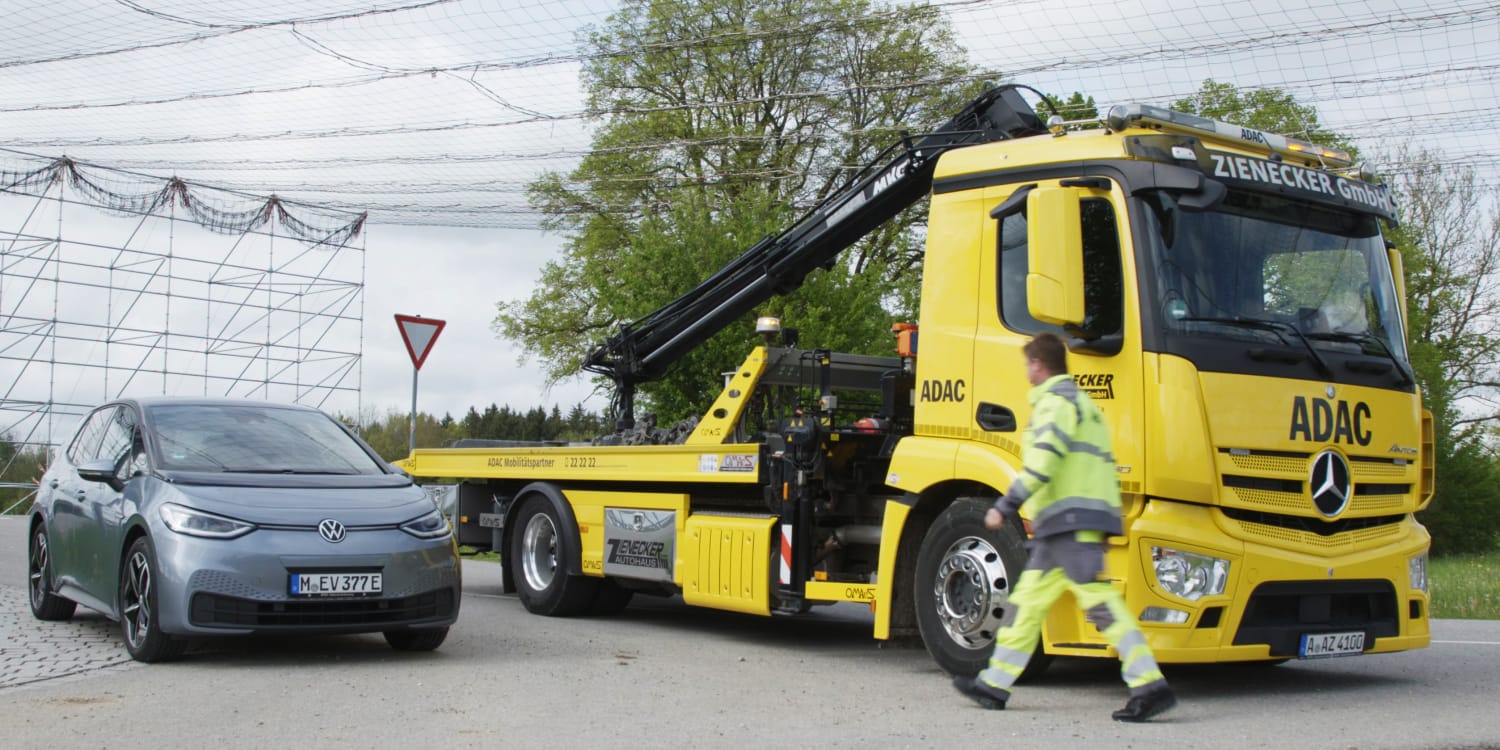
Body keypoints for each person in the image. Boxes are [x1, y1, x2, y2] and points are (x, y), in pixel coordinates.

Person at [952, 332, 1176, 722]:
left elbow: (1043, 462)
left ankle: (1150, 685)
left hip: (1070, 524)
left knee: (1100, 605)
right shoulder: (1083, 405)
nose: (1026, 371)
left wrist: (1005, 505)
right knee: (1027, 606)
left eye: (1028, 364)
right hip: (1065, 526)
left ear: (1038, 364)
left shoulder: (1056, 404)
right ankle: (994, 684)